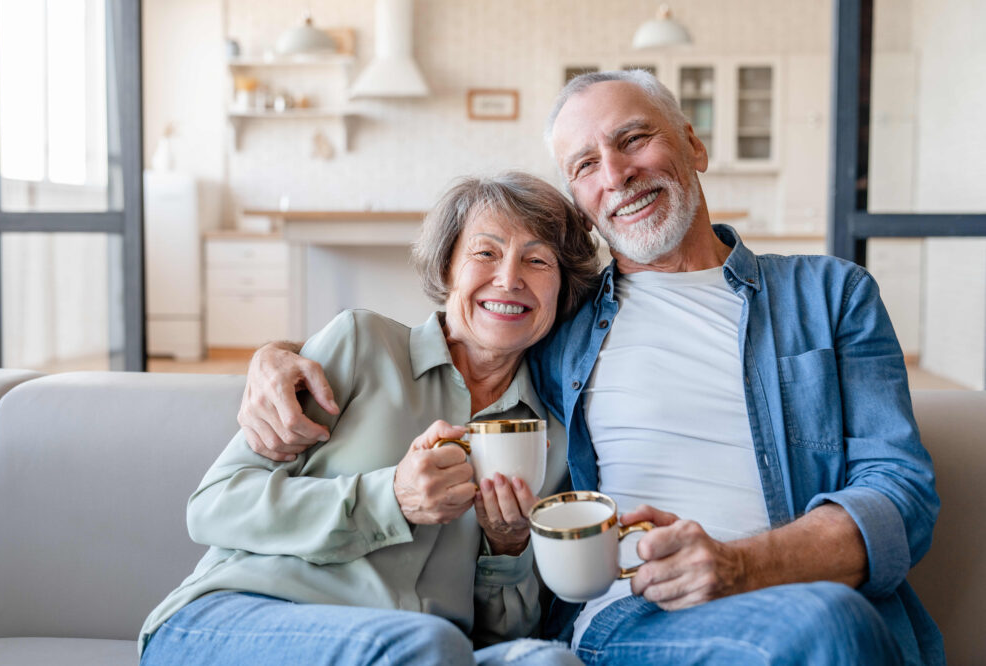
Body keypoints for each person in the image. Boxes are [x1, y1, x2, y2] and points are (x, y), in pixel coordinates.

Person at [240, 71, 942, 665]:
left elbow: (901, 496)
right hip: (634, 616)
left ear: (693, 145)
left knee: (828, 622)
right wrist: (276, 356)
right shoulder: (560, 327)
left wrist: (740, 566)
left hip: (810, 605)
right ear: (578, 198)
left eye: (634, 138)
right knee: (826, 625)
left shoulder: (832, 295)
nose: (616, 174)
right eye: (583, 164)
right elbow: (449, 334)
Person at [138, 171, 600, 666]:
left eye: (536, 260)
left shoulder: (547, 437)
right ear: (447, 270)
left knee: (548, 663)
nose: (509, 278)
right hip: (237, 620)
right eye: (485, 253)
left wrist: (506, 550)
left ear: (562, 290)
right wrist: (391, 499)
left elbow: (502, 634)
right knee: (429, 643)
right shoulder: (361, 344)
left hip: (418, 652)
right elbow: (213, 506)